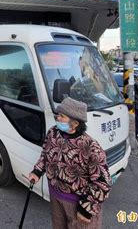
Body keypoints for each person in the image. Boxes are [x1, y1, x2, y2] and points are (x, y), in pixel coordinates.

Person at [28, 97, 111, 229]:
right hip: (55, 196)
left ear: (75, 123)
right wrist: (37, 171)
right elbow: (45, 154)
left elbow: (102, 183)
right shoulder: (53, 133)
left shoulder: (90, 147)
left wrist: (86, 209)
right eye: (58, 115)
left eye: (62, 116)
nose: (57, 118)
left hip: (78, 203)